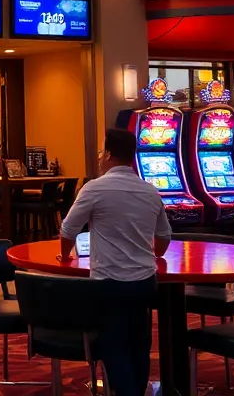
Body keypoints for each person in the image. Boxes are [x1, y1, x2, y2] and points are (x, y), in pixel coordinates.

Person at [58, 128, 170, 396]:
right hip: (144, 282)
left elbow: (67, 230)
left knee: (114, 346)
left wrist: (64, 256)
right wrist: (150, 254)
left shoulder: (94, 188)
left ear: (108, 154)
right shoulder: (149, 190)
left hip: (109, 282)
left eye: (101, 152)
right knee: (139, 344)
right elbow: (164, 237)